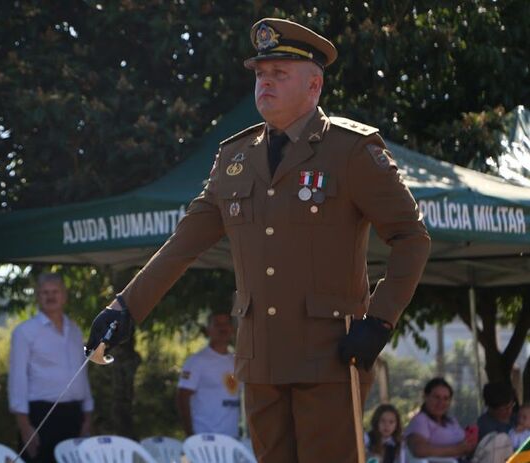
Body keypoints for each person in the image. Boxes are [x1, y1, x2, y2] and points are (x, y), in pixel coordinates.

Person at [85, 17, 430, 463]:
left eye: (279, 74)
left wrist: (380, 321)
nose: (265, 83)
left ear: (314, 86)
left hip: (329, 357)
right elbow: (184, 243)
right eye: (260, 75)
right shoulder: (235, 157)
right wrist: (125, 307)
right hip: (260, 359)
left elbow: (411, 236)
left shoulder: (350, 151)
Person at [7, 273, 93, 463]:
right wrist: (24, 426)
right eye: (44, 293)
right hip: (40, 416)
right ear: (38, 297)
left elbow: (82, 373)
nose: (50, 296)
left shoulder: (75, 331)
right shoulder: (24, 332)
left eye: (55, 292)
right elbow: (17, 380)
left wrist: (87, 415)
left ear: (64, 296)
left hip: (74, 416)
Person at [176, 312, 240, 438]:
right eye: (217, 324)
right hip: (205, 440)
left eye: (226, 324)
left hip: (233, 440)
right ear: (208, 330)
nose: (223, 328)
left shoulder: (237, 361)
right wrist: (190, 435)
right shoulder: (196, 361)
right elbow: (182, 398)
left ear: (232, 329)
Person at [404, 378, 476, 460]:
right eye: (436, 397)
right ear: (425, 397)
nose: (441, 402)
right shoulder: (421, 420)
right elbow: (419, 450)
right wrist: (457, 450)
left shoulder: (451, 421)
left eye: (446, 398)